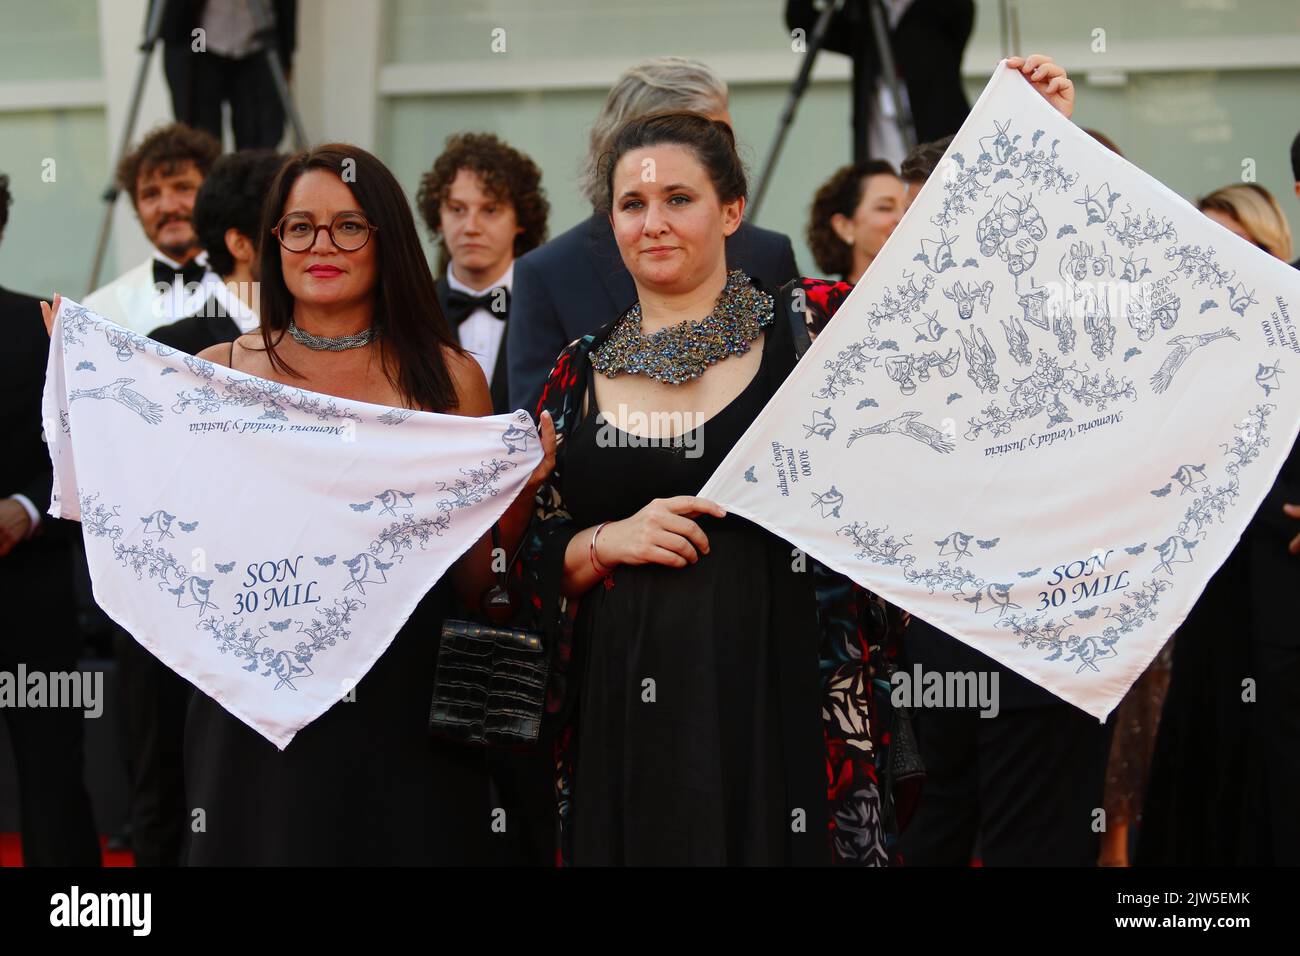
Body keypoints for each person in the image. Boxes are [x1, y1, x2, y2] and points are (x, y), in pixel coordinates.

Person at [45, 143, 556, 865]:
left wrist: (520, 494)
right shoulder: (218, 373)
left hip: (403, 703)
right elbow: (160, 533)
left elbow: (479, 582)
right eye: (299, 226)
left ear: (386, 239)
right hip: (252, 708)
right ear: (270, 243)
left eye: (348, 226)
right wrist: (90, 393)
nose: (322, 245)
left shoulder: (449, 379)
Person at [519, 111, 910, 866]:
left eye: (678, 199)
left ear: (731, 211)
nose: (653, 222)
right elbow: (533, 557)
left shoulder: (819, 326)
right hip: (622, 721)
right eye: (633, 205)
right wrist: (604, 542)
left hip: (789, 698)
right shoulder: (573, 371)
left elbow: (968, 312)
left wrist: (1034, 130)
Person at [805, 56, 1112, 867]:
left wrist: (1045, 135)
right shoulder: (875, 323)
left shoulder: (1066, 311)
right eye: (901, 213)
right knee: (936, 829)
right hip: (933, 641)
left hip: (1048, 628)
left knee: (1034, 841)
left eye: (927, 211)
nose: (904, 230)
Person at [106, 149, 283, 867]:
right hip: (169, 612)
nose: (317, 244)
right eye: (293, 226)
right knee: (166, 796)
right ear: (244, 243)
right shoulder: (166, 346)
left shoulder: (343, 341)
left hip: (287, 614)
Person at [1139, 181, 1299, 866]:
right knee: (1214, 744)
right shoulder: (1178, 342)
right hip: (1213, 585)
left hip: (1284, 575)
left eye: (1247, 245)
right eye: (1211, 246)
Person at [507, 56, 800, 414]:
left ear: (732, 212)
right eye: (698, 135)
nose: (721, 156)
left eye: (723, 138)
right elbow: (538, 438)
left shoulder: (770, 253)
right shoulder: (546, 273)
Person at [0, 172, 101, 866]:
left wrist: (27, 508)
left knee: (52, 776)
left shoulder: (44, 329)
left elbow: (85, 456)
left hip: (28, 589)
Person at [417, 132, 549, 414]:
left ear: (520, 220)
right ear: (438, 218)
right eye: (457, 209)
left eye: (490, 210)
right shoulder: (410, 308)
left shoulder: (554, 308)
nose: (471, 226)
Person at [84, 123, 222, 334]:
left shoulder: (260, 291)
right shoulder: (100, 309)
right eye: (151, 194)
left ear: (212, 194)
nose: (168, 207)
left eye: (183, 188)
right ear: (137, 209)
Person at [161, 0, 297, 151]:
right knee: (199, 140)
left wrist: (287, 55)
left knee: (260, 141)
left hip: (257, 41)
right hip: (197, 40)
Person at [807, 159, 906, 283]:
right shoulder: (830, 302)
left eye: (907, 208)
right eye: (885, 208)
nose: (903, 218)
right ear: (844, 227)